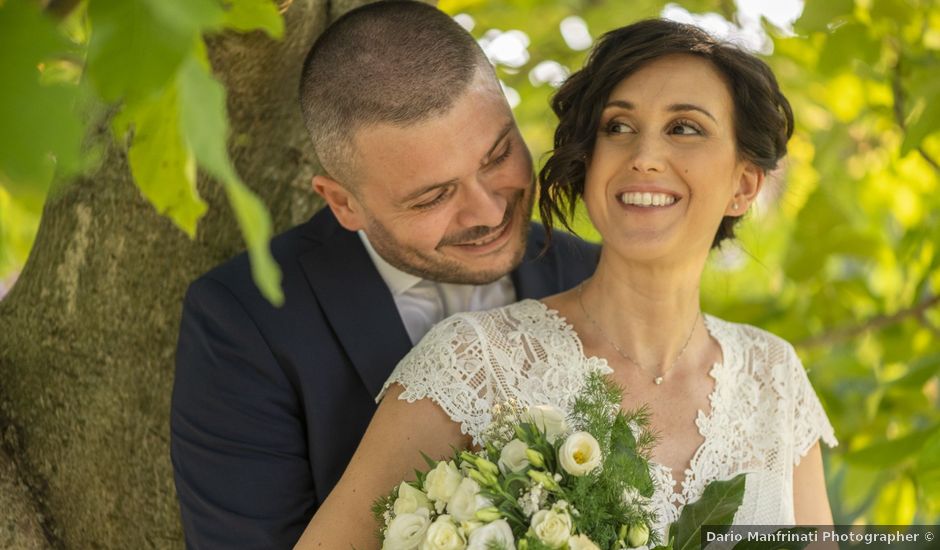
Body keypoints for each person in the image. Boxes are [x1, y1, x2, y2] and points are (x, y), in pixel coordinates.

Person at [295, 18, 837, 549]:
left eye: (685, 128)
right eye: (617, 128)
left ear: (743, 186)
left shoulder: (775, 376)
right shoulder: (472, 362)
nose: (644, 157)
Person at [169, 2, 599, 548]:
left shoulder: (595, 273)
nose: (489, 213)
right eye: (434, 196)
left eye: (497, 157)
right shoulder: (242, 321)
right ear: (343, 204)